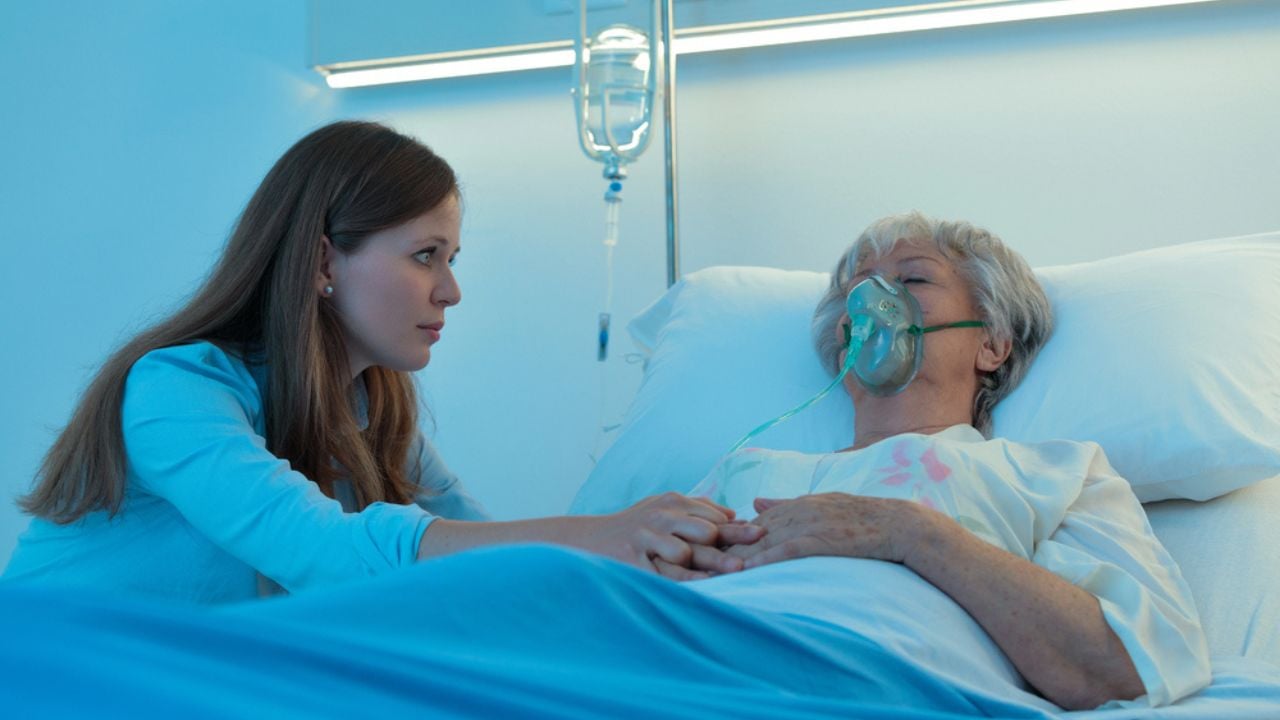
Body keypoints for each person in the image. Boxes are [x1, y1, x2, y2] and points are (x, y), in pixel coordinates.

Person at [3, 120, 758, 603]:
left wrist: (663, 549)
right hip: (59, 678)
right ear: (324, 260)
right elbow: (323, 552)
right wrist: (598, 534)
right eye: (426, 256)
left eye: (451, 258)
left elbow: (480, 561)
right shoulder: (174, 390)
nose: (452, 291)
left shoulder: (371, 409)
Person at [689, 212, 1211, 710]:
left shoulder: (1049, 474)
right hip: (688, 669)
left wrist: (908, 533)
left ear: (991, 345)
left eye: (913, 279)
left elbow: (1136, 666)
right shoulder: (745, 469)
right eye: (858, 288)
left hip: (869, 688)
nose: (874, 300)